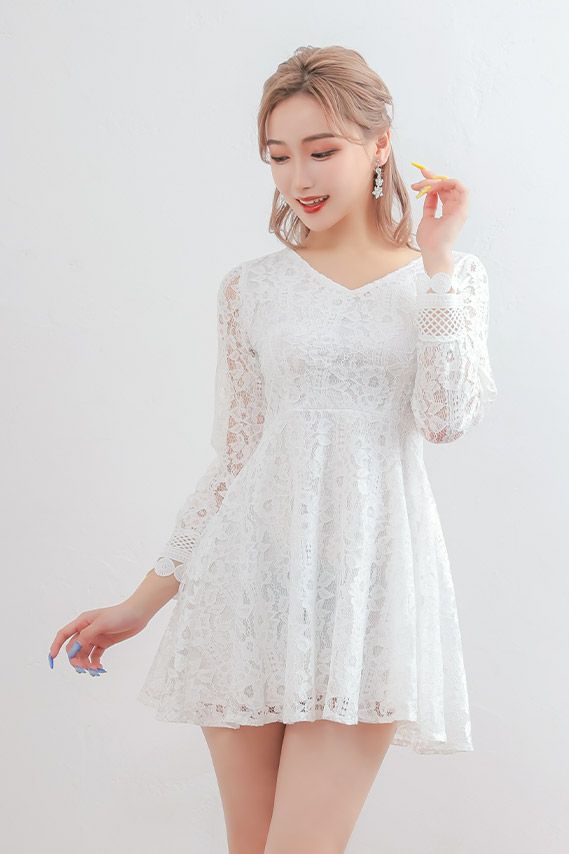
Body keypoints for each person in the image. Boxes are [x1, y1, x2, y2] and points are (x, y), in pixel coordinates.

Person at [48, 45, 497, 854]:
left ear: (380, 146)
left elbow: (445, 418)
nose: (298, 178)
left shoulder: (445, 280)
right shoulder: (251, 288)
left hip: (366, 599)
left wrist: (437, 264)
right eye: (278, 156)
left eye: (321, 151)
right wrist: (142, 603)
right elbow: (235, 463)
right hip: (247, 593)